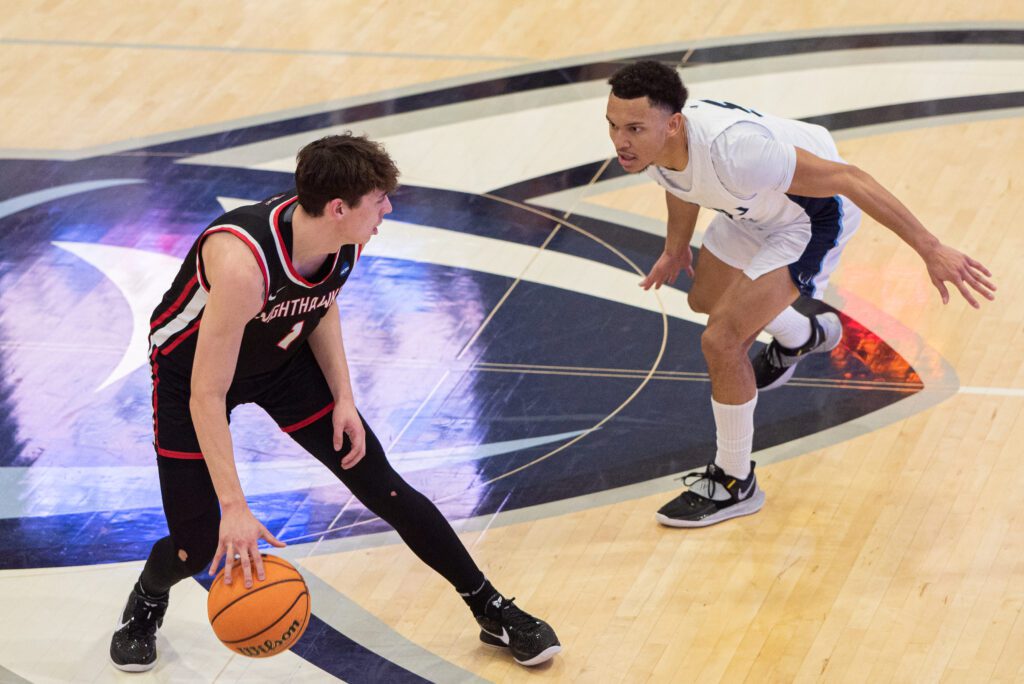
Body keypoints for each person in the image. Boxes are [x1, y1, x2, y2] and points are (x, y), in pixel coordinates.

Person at [109, 134, 560, 671]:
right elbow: (207, 394)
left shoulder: (346, 236)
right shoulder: (241, 265)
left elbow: (320, 305)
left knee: (383, 484)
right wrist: (235, 506)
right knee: (199, 545)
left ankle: (490, 607)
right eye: (379, 200)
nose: (388, 209)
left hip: (281, 358)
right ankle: (147, 599)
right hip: (192, 376)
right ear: (339, 207)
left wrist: (344, 396)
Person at [605, 61, 995, 528]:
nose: (620, 141)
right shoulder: (655, 149)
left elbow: (852, 179)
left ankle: (735, 481)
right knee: (704, 299)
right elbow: (680, 183)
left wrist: (930, 248)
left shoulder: (738, 153)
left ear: (673, 124)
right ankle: (801, 335)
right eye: (611, 125)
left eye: (632, 128)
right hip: (751, 209)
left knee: (722, 339)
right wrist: (673, 251)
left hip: (809, 218)